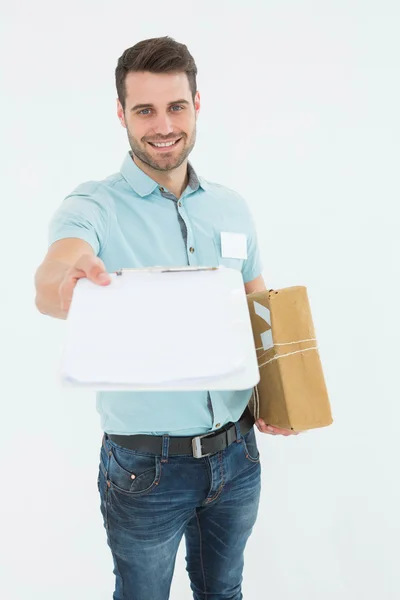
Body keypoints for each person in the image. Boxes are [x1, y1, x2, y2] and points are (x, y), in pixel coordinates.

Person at [34, 36, 297, 600]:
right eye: (144, 110)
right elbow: (52, 280)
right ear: (121, 114)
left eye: (175, 106)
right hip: (145, 468)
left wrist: (276, 400)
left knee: (223, 592)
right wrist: (65, 276)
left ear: (197, 104)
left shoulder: (232, 207)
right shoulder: (93, 206)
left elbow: (259, 313)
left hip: (237, 455)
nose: (162, 125)